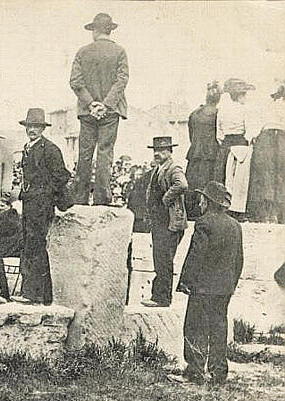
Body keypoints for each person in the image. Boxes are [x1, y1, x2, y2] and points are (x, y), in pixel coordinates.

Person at [176, 181, 243, 385]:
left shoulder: (203, 223)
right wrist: (232, 283)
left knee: (195, 327)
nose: (200, 201)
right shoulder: (235, 225)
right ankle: (218, 372)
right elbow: (239, 259)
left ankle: (194, 372)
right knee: (218, 328)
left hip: (203, 287)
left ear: (208, 201)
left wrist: (185, 281)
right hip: (224, 288)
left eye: (202, 198)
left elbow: (196, 255)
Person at [11, 108, 71, 305]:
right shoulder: (28, 148)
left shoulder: (50, 149)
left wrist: (41, 194)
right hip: (30, 205)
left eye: (36, 126)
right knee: (29, 244)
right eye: (29, 126)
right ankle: (40, 295)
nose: (32, 130)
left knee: (35, 246)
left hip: (41, 206)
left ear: (42, 128)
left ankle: (33, 294)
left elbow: (61, 176)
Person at [69, 12, 129, 205]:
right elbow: (122, 81)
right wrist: (106, 104)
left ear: (94, 30)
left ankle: (80, 198)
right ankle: (102, 198)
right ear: (110, 30)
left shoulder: (82, 52)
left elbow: (75, 81)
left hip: (87, 112)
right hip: (110, 112)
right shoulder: (119, 52)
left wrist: (91, 103)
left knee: (85, 154)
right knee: (105, 153)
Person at [142, 136, 188, 307]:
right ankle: (158, 296)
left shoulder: (173, 168)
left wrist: (165, 199)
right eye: (156, 150)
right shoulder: (159, 168)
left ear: (170, 152)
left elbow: (182, 185)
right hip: (160, 221)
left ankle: (162, 298)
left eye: (162, 150)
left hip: (170, 221)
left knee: (164, 260)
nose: (158, 153)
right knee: (159, 258)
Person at [248, 81, 285, 223]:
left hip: (266, 139)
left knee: (266, 178)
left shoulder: (266, 106)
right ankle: (280, 215)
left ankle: (268, 215)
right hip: (281, 139)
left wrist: (253, 138)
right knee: (280, 176)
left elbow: (256, 127)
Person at [185, 81, 222, 219]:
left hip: (195, 152)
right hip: (211, 153)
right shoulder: (218, 114)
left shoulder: (194, 113)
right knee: (209, 181)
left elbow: (191, 135)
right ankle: (206, 211)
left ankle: (191, 210)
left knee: (192, 180)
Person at [215, 78, 254, 184]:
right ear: (240, 95)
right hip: (240, 143)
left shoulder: (222, 110)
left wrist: (225, 142)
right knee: (240, 176)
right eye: (245, 95)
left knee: (223, 175)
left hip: (226, 145)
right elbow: (249, 131)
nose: (246, 98)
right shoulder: (244, 109)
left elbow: (218, 135)